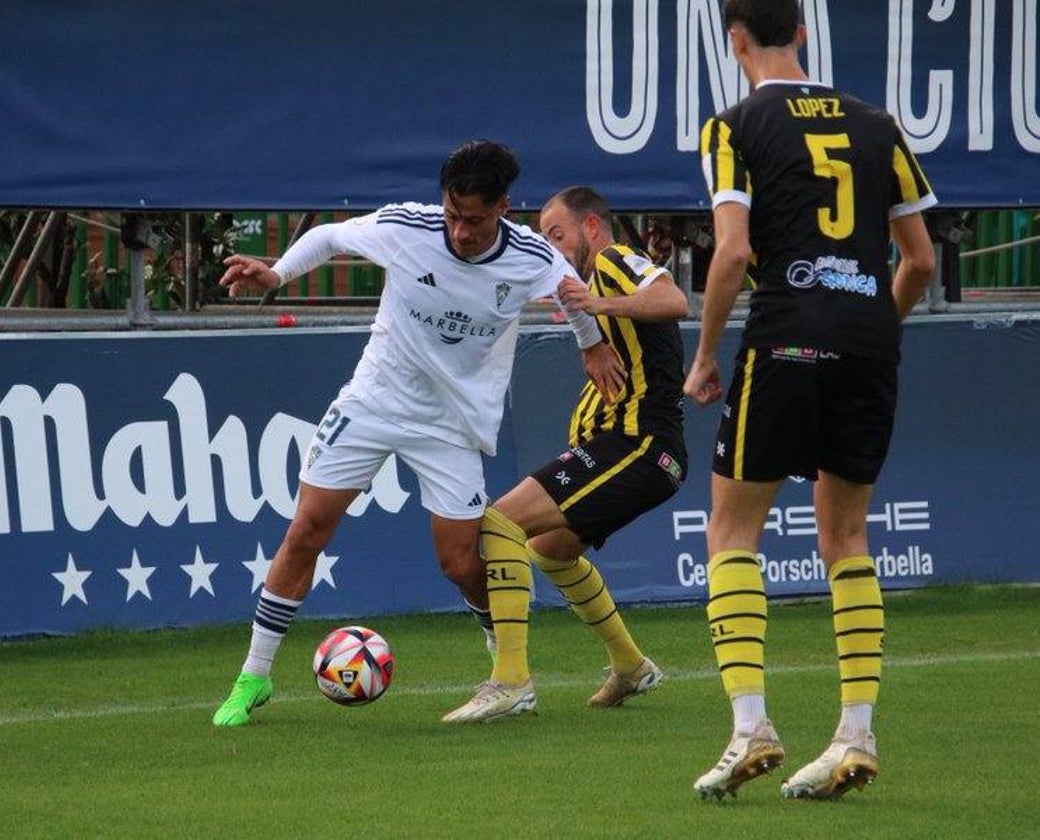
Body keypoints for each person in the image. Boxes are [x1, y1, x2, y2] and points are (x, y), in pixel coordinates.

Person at [212, 140, 624, 726]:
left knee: (460, 564)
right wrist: (276, 272)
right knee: (306, 528)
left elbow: (570, 293)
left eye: (474, 221)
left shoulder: (532, 257)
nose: (459, 231)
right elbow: (330, 238)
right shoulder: (408, 226)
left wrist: (593, 345)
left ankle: (504, 668)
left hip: (451, 424)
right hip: (375, 401)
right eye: (453, 215)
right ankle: (253, 678)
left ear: (504, 207)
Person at [683, 0, 936, 800]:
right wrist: (870, 329)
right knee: (848, 535)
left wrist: (705, 354)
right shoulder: (877, 124)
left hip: (787, 333)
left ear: (734, 41)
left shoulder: (732, 127)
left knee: (731, 528)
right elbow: (922, 261)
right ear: (801, 32)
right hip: (869, 339)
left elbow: (732, 251)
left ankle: (751, 724)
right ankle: (856, 735)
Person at [443, 186, 690, 723]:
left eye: (558, 234)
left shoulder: (613, 260)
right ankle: (631, 666)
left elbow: (674, 301)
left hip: (639, 445)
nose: (552, 247)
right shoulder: (588, 280)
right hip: (632, 449)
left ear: (593, 228)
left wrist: (599, 303)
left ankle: (510, 680)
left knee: (498, 523)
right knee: (552, 550)